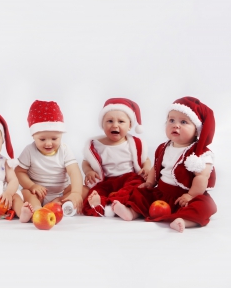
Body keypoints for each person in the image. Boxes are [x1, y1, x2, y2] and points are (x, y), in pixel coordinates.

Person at [112, 96, 217, 233]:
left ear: (197, 130)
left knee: (205, 206)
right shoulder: (164, 147)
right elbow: (156, 168)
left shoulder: (200, 154)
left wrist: (191, 195)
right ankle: (131, 212)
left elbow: (201, 178)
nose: (175, 125)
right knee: (140, 193)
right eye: (171, 120)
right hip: (161, 193)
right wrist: (150, 183)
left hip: (184, 197)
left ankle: (184, 220)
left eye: (184, 122)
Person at [15, 100, 87, 222]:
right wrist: (32, 185)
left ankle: (59, 202)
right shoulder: (29, 150)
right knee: (25, 192)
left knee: (84, 189)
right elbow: (19, 171)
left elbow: (74, 172)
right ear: (33, 136)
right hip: (38, 193)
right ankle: (37, 209)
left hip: (61, 192)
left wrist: (75, 192)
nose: (48, 143)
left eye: (54, 138)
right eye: (42, 139)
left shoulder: (64, 150)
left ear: (61, 135)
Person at [81, 98, 151, 217]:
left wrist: (147, 167)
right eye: (109, 121)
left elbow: (146, 159)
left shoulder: (134, 144)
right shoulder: (97, 145)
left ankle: (116, 206)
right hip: (107, 181)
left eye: (121, 121)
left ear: (129, 126)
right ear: (102, 125)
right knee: (94, 193)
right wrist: (88, 171)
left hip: (129, 177)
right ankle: (105, 205)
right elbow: (85, 162)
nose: (115, 125)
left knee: (136, 188)